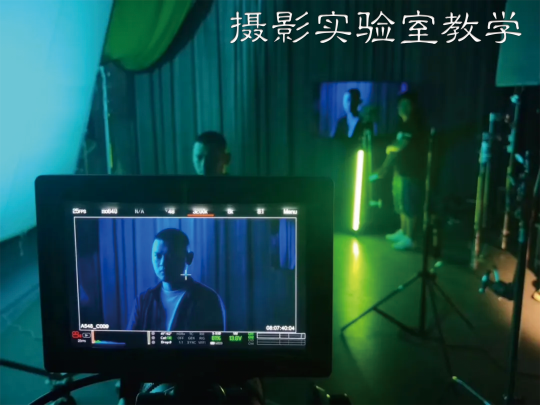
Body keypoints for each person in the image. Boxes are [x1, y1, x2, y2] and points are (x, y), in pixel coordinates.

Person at [127, 228, 226, 331]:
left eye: (171, 256)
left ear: (189, 258)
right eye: (158, 256)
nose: (163, 263)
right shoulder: (143, 301)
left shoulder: (208, 299)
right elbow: (128, 339)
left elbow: (216, 340)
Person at [383, 91, 429, 250]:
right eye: (400, 104)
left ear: (412, 106)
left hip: (411, 171)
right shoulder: (403, 125)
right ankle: (403, 231)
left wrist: (390, 147)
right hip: (401, 171)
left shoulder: (413, 124)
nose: (401, 108)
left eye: (405, 105)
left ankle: (410, 237)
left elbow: (401, 144)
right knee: (401, 204)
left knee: (409, 205)